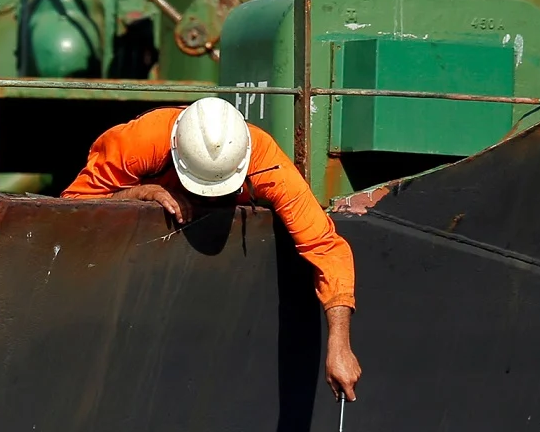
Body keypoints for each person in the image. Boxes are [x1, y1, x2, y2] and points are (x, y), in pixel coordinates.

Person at [64, 97, 362, 400]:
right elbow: (72, 207)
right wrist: (138, 194)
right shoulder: (138, 143)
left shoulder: (265, 159)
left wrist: (339, 344)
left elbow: (325, 246)